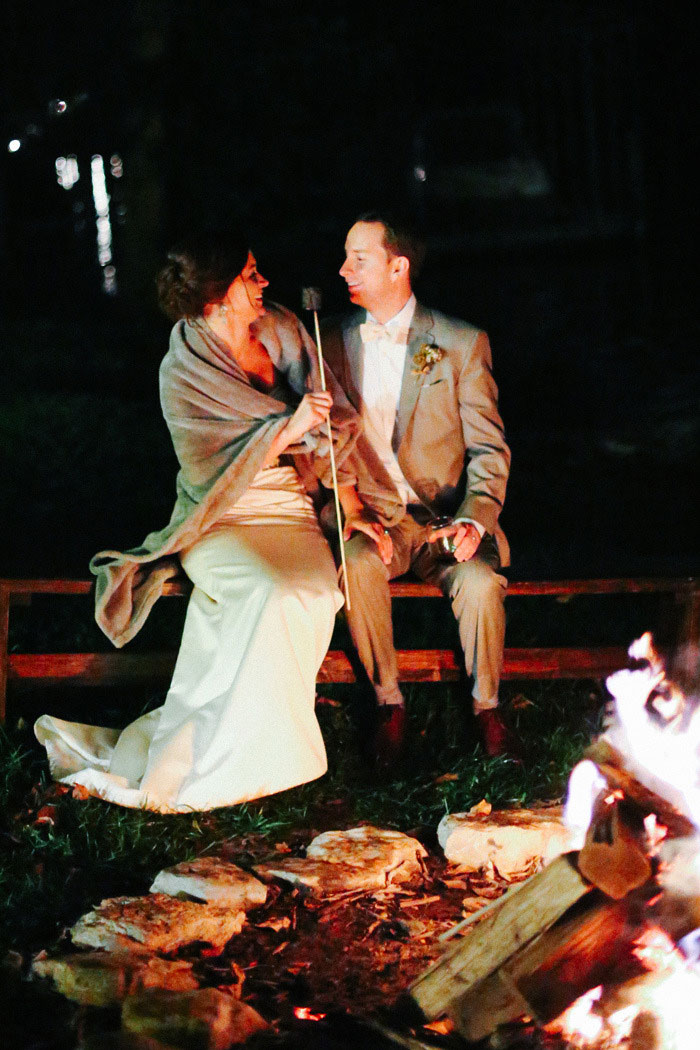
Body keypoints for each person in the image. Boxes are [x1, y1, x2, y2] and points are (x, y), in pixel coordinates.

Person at [35, 231, 385, 812]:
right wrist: (291, 428)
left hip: (290, 511)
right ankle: (219, 763)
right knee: (266, 592)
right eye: (249, 275)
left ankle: (262, 753)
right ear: (213, 299)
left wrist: (347, 503)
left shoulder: (282, 328)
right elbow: (207, 461)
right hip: (223, 516)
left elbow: (333, 423)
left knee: (312, 592)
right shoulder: (181, 370)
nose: (263, 282)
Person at [322, 212, 513, 767]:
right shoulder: (328, 341)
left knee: (479, 586)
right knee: (354, 565)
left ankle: (488, 710)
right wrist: (351, 507)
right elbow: (327, 444)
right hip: (376, 519)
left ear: (397, 266)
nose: (344, 270)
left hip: (443, 519)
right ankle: (389, 705)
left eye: (359, 259)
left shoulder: (458, 342)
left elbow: (488, 449)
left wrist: (475, 519)